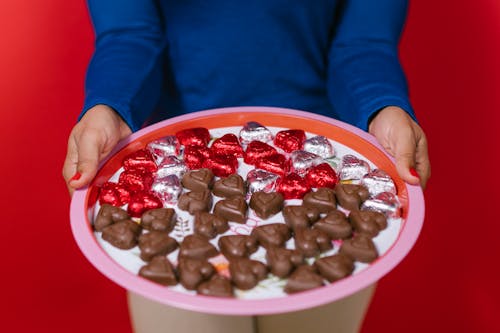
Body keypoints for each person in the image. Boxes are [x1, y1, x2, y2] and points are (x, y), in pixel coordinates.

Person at [63, 1, 430, 332]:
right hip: (182, 181)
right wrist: (109, 106)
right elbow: (130, 34)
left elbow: (364, 43)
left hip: (320, 181)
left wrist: (382, 107)